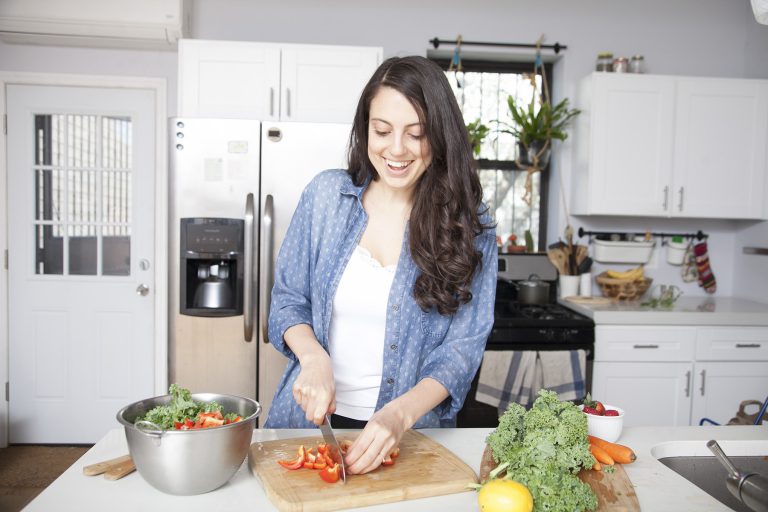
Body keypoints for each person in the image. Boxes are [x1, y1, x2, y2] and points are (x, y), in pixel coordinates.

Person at [264, 56, 497, 475]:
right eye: (382, 130)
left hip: (410, 438)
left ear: (440, 137)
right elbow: (287, 301)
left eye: (416, 134)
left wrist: (399, 415)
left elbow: (461, 352)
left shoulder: (469, 224)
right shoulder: (325, 197)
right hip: (305, 428)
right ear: (365, 128)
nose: (395, 149)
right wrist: (313, 358)